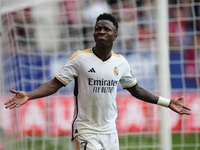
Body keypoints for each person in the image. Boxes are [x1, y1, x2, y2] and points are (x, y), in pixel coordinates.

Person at [5, 13, 191, 150]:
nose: (101, 31)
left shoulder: (121, 63)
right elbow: (55, 84)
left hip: (110, 132)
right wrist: (28, 95)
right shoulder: (80, 59)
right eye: (98, 28)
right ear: (94, 33)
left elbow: (136, 90)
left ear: (114, 36)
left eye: (106, 29)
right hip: (85, 130)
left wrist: (167, 103)